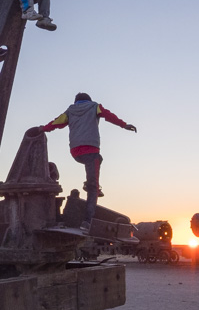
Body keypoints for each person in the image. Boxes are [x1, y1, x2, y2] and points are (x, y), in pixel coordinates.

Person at [39, 93, 136, 229]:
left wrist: (42, 128)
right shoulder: (94, 107)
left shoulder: (70, 111)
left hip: (76, 152)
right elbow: (109, 116)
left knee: (98, 161)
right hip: (91, 150)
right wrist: (124, 125)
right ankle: (87, 221)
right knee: (93, 188)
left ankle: (89, 183)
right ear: (88, 100)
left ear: (76, 102)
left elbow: (57, 122)